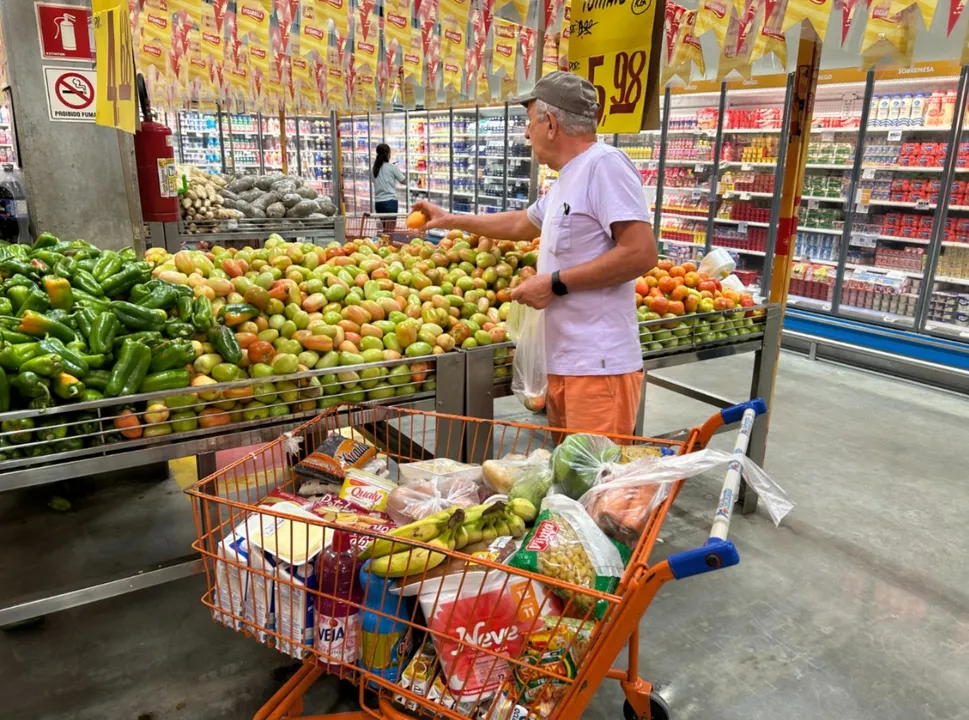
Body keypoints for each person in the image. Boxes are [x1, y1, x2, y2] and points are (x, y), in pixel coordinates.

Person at [411, 72, 657, 436]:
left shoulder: (604, 164)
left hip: (598, 365)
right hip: (565, 362)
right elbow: (520, 224)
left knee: (596, 485)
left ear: (551, 124)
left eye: (530, 123)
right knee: (569, 483)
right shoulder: (568, 178)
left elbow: (640, 253)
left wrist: (555, 284)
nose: (527, 134)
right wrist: (450, 219)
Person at [372, 143, 405, 234]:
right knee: (390, 232)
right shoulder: (392, 167)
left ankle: (383, 246)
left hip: (378, 203)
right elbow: (403, 180)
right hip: (390, 203)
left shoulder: (374, 168)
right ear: (387, 154)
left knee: (386, 230)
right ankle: (387, 247)